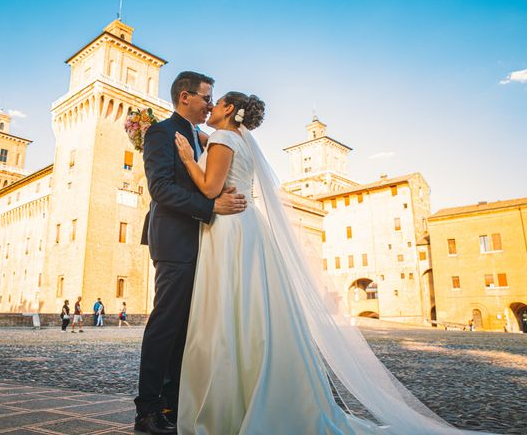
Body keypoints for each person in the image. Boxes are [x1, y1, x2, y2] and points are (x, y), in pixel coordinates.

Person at [173, 91, 480, 434]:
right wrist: (204, 141)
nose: (210, 107)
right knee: (251, 311)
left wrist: (187, 158)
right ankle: (258, 392)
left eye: (216, 103)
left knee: (227, 312)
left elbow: (211, 187)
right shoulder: (239, 139)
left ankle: (229, 402)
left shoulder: (222, 138)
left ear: (229, 109)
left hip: (228, 228)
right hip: (249, 229)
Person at [134, 71, 247, 435]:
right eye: (205, 97)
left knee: (186, 329)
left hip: (202, 244)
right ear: (185, 97)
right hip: (174, 241)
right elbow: (161, 189)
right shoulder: (162, 133)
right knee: (166, 324)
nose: (210, 104)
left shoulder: (201, 140)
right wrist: (211, 208)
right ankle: (147, 411)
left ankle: (173, 404)